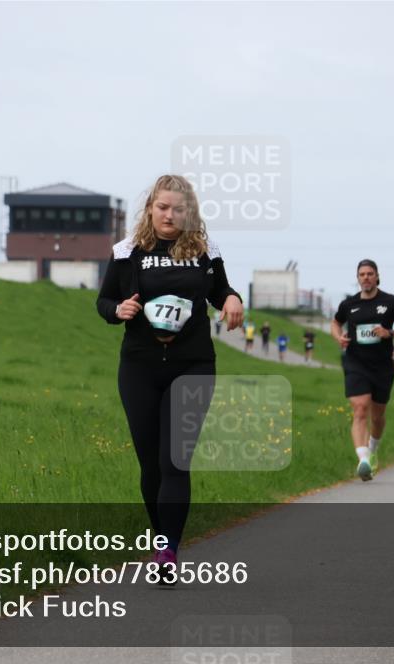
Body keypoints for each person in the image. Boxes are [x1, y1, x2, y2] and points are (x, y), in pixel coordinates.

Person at [96, 174, 243, 581]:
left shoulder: (204, 250)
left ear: (189, 212)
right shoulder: (127, 252)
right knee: (151, 466)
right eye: (162, 207)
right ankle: (162, 541)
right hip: (140, 366)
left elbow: (222, 292)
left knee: (174, 461)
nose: (170, 215)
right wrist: (117, 310)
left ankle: (168, 554)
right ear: (150, 209)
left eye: (178, 209)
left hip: (192, 364)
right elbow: (104, 301)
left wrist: (232, 299)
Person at [332, 259, 394, 481]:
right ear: (357, 278)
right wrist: (339, 337)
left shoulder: (390, 302)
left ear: (377, 276)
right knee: (360, 408)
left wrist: (390, 333)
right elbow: (335, 323)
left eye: (369, 274)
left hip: (382, 366)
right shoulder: (349, 304)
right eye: (362, 274)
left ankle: (373, 449)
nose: (366, 277)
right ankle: (363, 459)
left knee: (378, 416)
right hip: (356, 362)